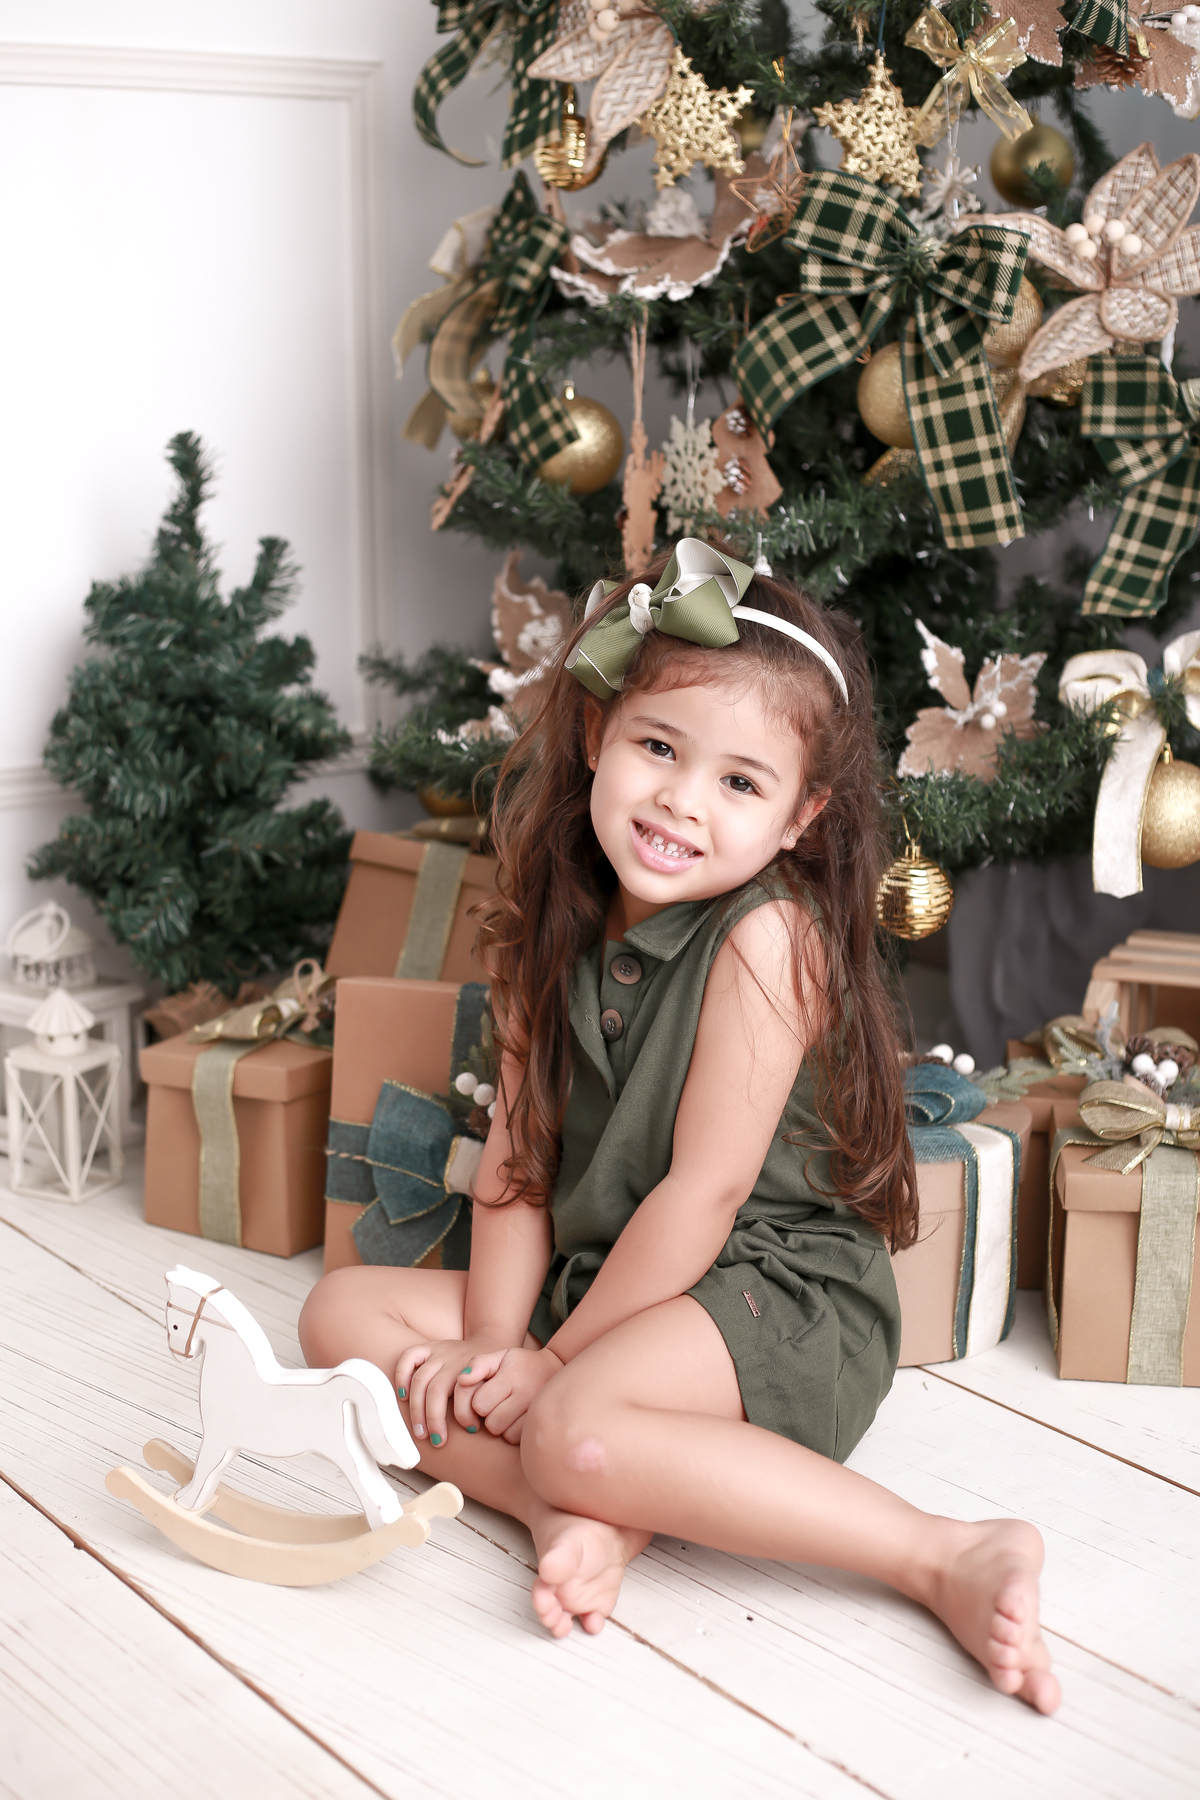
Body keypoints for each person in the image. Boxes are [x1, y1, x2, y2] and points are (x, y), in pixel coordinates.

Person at [299, 540, 1059, 1713]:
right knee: (339, 1314)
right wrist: (494, 1344)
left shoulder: (768, 939)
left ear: (802, 816)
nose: (681, 801)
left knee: (570, 1424)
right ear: (597, 733)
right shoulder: (550, 914)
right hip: (610, 1274)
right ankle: (563, 1509)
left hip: (767, 1284)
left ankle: (942, 1553)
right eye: (659, 747)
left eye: (740, 783)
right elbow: (518, 1161)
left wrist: (550, 1368)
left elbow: (704, 1194)